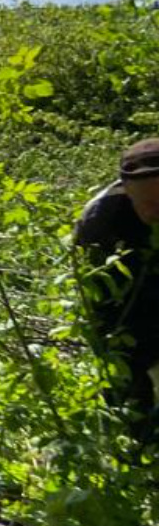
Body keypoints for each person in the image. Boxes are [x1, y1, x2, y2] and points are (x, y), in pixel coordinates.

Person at [74, 138, 159, 444]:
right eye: (148, 204)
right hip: (127, 297)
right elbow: (100, 306)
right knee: (125, 377)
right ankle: (136, 448)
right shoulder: (100, 220)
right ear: (127, 190)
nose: (156, 213)